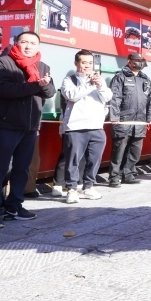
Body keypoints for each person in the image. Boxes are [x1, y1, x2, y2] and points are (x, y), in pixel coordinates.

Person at [0, 32, 54, 229]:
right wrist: (35, 86)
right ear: (16, 43)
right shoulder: (3, 62)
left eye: (33, 43)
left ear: (38, 47)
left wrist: (43, 86)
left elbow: (50, 92)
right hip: (6, 125)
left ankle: (14, 205)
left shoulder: (42, 66)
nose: (28, 46)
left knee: (22, 168)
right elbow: (2, 89)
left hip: (30, 126)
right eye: (24, 42)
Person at [60, 50, 111, 203]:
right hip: (75, 127)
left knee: (94, 159)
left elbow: (107, 97)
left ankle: (88, 187)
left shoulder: (98, 79)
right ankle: (72, 189)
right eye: (84, 62)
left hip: (97, 126)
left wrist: (100, 85)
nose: (87, 66)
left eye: (90, 63)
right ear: (76, 63)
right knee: (73, 160)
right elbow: (72, 95)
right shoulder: (69, 80)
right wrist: (90, 84)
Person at [108, 53, 151, 186]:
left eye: (142, 60)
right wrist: (114, 117)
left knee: (135, 151)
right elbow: (115, 98)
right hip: (123, 120)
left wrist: (150, 117)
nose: (140, 63)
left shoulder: (145, 79)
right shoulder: (120, 77)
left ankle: (128, 174)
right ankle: (114, 177)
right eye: (137, 60)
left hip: (140, 121)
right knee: (119, 151)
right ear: (129, 61)